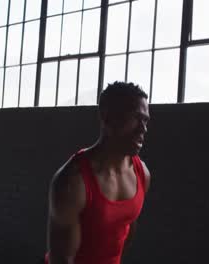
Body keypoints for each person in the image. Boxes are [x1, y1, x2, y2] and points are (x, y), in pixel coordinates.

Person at [45, 81, 151, 264]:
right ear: (107, 117)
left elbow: (125, 230)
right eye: (135, 118)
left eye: (145, 120)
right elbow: (61, 259)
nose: (143, 128)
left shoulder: (142, 174)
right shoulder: (73, 181)